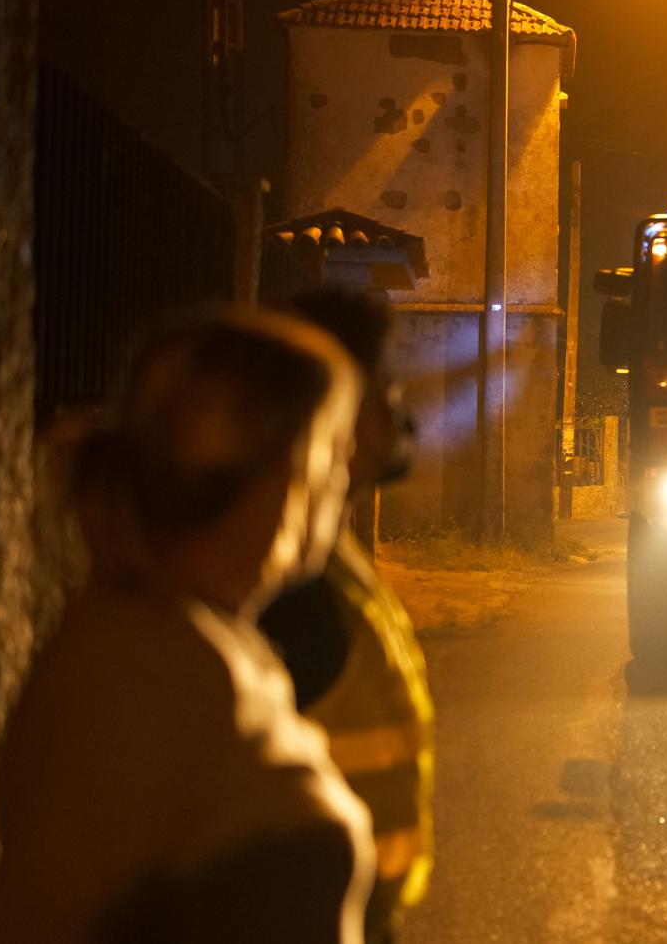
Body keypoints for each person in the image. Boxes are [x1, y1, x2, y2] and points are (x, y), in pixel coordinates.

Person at [0, 309, 374, 944]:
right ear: (280, 472)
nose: (346, 476)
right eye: (332, 448)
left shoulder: (204, 641)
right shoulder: (145, 672)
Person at [260, 286, 435, 943]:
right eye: (387, 391)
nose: (402, 417)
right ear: (342, 408)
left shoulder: (325, 555)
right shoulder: (287, 585)